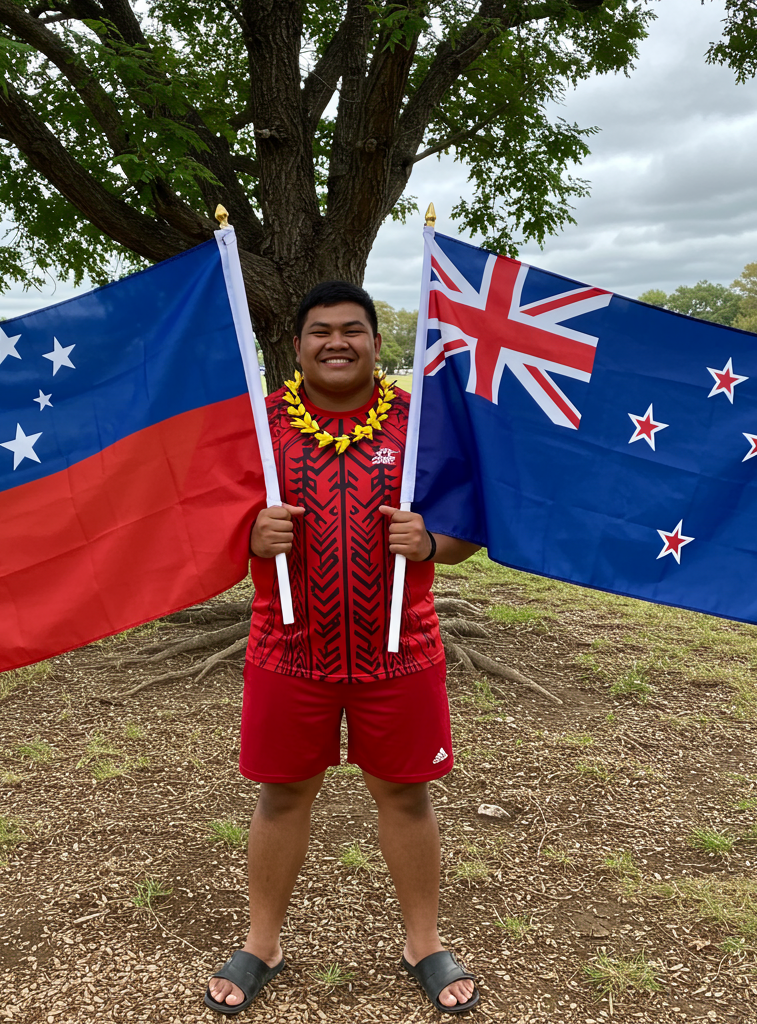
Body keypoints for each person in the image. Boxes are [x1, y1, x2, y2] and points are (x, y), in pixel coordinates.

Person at [204, 281, 481, 1016]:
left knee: (405, 794)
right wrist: (247, 537)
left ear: (375, 343)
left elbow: (471, 528)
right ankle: (263, 941)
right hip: (287, 651)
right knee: (283, 792)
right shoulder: (259, 428)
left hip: (402, 651)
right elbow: (197, 529)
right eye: (320, 330)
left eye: (352, 330)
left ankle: (423, 941)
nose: (336, 342)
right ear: (294, 346)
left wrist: (430, 540)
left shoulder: (419, 424)